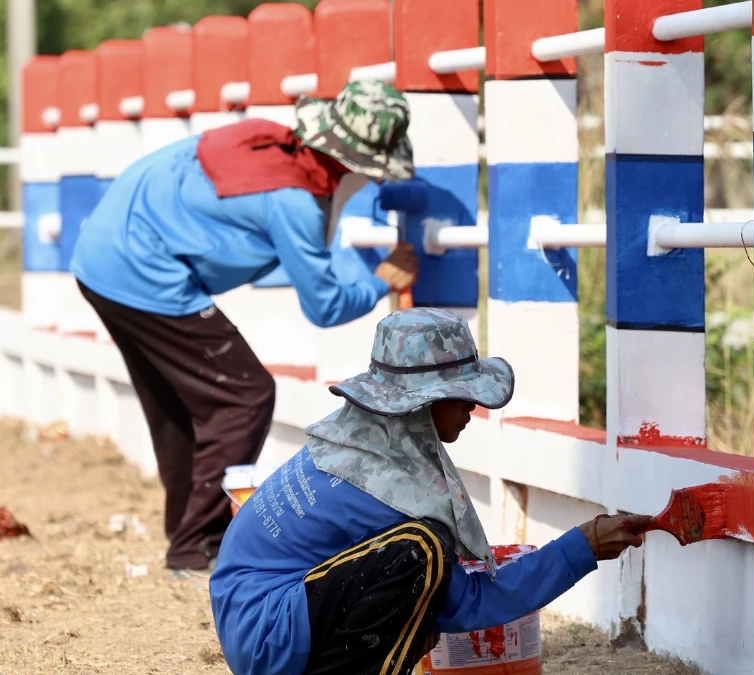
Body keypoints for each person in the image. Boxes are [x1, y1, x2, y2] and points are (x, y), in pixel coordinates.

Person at [68, 80, 421, 577]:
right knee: (244, 395)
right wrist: (381, 279)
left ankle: (186, 542)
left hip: (99, 257)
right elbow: (325, 306)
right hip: (142, 271)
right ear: (356, 164)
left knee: (178, 403)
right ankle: (198, 547)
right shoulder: (294, 201)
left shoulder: (264, 137)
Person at [208, 308, 653, 675]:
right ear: (419, 406)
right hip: (269, 636)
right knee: (423, 552)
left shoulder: (351, 444)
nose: (472, 406)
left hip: (252, 620)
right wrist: (583, 547)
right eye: (461, 394)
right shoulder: (382, 491)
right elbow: (468, 605)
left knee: (421, 582)